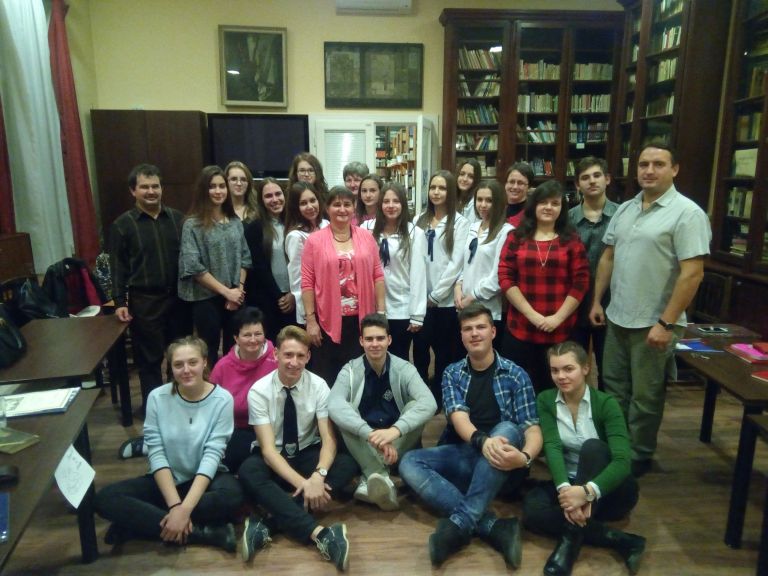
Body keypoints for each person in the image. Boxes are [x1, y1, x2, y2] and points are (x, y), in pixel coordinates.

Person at [589, 143, 710, 477]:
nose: (649, 171)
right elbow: (609, 257)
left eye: (658, 164)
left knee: (646, 395)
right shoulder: (626, 209)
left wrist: (666, 323)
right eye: (644, 164)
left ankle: (638, 454)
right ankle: (617, 446)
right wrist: (597, 300)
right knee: (614, 387)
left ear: (675, 169)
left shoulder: (688, 214)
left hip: (654, 322)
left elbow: (692, 274)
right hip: (618, 316)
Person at [399, 303, 541, 568]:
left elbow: (532, 428)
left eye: (480, 327)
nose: (474, 333)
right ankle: (491, 525)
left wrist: (524, 458)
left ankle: (461, 523)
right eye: (468, 329)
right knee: (408, 461)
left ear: (493, 332)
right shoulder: (452, 373)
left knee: (507, 429)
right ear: (461, 335)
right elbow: (458, 417)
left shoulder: (516, 374)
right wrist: (482, 442)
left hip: (505, 464)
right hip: (468, 453)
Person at [95, 336, 243, 552]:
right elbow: (156, 453)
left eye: (193, 362)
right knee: (105, 498)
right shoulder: (157, 397)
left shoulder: (223, 399)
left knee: (233, 497)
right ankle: (205, 534)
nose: (186, 370)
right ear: (171, 368)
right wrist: (175, 506)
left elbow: (212, 455)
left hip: (206, 478)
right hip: (167, 479)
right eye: (178, 364)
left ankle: (138, 523)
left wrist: (184, 509)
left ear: (204, 362)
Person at [238, 326, 358, 571]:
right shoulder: (259, 391)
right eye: (288, 355)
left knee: (347, 463)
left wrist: (319, 476)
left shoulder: (319, 385)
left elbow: (328, 439)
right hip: (274, 456)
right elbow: (268, 451)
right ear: (276, 355)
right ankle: (322, 534)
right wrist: (305, 485)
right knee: (249, 471)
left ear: (308, 357)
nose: (294, 362)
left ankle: (269, 523)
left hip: (305, 452)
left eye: (300, 356)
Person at [523, 341, 644, 576]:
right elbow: (552, 447)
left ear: (586, 368)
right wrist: (566, 492)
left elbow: (622, 461)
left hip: (610, 491)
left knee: (593, 448)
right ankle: (623, 540)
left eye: (568, 369)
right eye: (555, 370)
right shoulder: (546, 400)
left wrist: (587, 492)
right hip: (571, 483)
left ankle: (569, 543)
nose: (561, 376)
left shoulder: (606, 404)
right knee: (532, 512)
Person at [329, 313, 436, 511]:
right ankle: (382, 476)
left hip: (397, 443)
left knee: (415, 407)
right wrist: (369, 434)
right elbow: (334, 404)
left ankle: (371, 474)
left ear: (389, 340)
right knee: (345, 411)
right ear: (361, 341)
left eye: (380, 338)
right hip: (363, 442)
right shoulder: (349, 370)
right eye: (369, 339)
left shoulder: (404, 368)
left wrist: (394, 431)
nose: (375, 344)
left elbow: (429, 403)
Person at [109, 164, 188, 425]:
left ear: (162, 188)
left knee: (180, 356)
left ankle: (181, 404)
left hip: (179, 299)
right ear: (133, 191)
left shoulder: (178, 219)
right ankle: (155, 412)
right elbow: (118, 267)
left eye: (155, 186)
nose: (151, 191)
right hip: (145, 301)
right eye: (145, 187)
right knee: (149, 360)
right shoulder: (122, 225)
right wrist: (120, 301)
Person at [498, 179, 589, 394]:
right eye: (543, 202)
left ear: (562, 208)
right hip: (521, 326)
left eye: (555, 203)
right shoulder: (516, 237)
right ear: (534, 205)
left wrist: (557, 318)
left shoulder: (572, 240)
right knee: (518, 386)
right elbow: (505, 276)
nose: (549, 207)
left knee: (556, 387)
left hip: (560, 328)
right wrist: (532, 315)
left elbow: (581, 281)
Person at [301, 185, 386, 386]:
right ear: (327, 208)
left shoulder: (366, 237)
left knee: (359, 375)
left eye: (347, 204)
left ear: (354, 207)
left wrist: (381, 313)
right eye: (336, 204)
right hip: (327, 320)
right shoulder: (314, 241)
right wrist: (311, 320)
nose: (342, 209)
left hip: (361, 319)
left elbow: (378, 276)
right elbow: (307, 282)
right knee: (328, 376)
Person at [179, 165, 252, 368]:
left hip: (235, 296)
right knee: (208, 349)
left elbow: (245, 258)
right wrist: (226, 292)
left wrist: (237, 290)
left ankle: (231, 386)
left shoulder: (235, 222)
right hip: (205, 298)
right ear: (203, 190)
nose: (218, 191)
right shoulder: (192, 224)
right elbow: (193, 266)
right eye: (212, 186)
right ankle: (209, 385)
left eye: (222, 186)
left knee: (235, 348)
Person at [412, 170, 470, 407]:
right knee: (420, 352)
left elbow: (457, 263)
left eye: (442, 188)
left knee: (445, 354)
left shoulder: (460, 223)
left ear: (451, 192)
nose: (436, 192)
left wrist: (436, 295)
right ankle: (421, 398)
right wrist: (421, 296)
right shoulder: (419, 220)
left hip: (444, 302)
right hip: (420, 301)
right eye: (433, 187)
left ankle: (441, 396)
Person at [361, 180, 427, 360]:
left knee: (398, 358)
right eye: (386, 201)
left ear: (403, 204)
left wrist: (417, 314)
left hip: (401, 308)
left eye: (396, 201)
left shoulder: (415, 233)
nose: (391, 206)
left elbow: (418, 275)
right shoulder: (365, 229)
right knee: (373, 356)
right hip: (373, 307)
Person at [568, 157, 619, 390]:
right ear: (577, 184)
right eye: (585, 178)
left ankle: (605, 410)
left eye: (597, 175)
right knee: (573, 365)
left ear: (607, 179)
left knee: (609, 368)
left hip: (611, 302)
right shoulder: (567, 218)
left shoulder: (622, 215)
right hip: (573, 303)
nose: (592, 181)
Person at [209, 307, 278, 473]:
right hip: (239, 430)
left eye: (258, 334)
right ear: (236, 338)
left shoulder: (277, 359)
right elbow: (211, 408)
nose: (253, 340)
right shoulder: (222, 367)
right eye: (247, 335)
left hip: (275, 429)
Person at [454, 180, 513, 345]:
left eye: (489, 200)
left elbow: (498, 277)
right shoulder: (473, 227)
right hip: (465, 307)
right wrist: (458, 286)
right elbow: (465, 264)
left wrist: (471, 297)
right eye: (479, 200)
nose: (483, 205)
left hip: (487, 308)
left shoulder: (505, 231)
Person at [243, 178, 293, 342]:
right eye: (268, 196)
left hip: (295, 297)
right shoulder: (254, 228)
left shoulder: (295, 223)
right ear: (261, 201)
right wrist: (280, 297)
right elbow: (259, 267)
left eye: (278, 194)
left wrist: (293, 294)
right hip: (268, 299)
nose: (275, 199)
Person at [284, 182, 328, 326]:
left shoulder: (327, 225)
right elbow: (297, 280)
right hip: (312, 308)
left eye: (312, 200)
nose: (310, 206)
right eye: (303, 203)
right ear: (295, 208)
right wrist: (308, 317)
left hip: (332, 301)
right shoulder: (296, 236)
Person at [504, 162, 535, 228]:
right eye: (512, 182)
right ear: (505, 184)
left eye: (520, 183)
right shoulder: (497, 210)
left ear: (529, 187)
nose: (515, 187)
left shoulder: (532, 213)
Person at [456, 158, 482, 223]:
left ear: (476, 180)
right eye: (462, 174)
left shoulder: (475, 202)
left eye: (470, 176)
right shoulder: (453, 197)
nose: (465, 179)